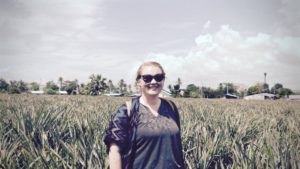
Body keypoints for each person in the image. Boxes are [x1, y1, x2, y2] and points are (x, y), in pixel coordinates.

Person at [103, 61, 185, 169]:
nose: (154, 81)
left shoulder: (171, 107)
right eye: (147, 78)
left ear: (163, 80)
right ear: (139, 82)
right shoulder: (127, 110)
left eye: (159, 77)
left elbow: (176, 147)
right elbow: (114, 150)